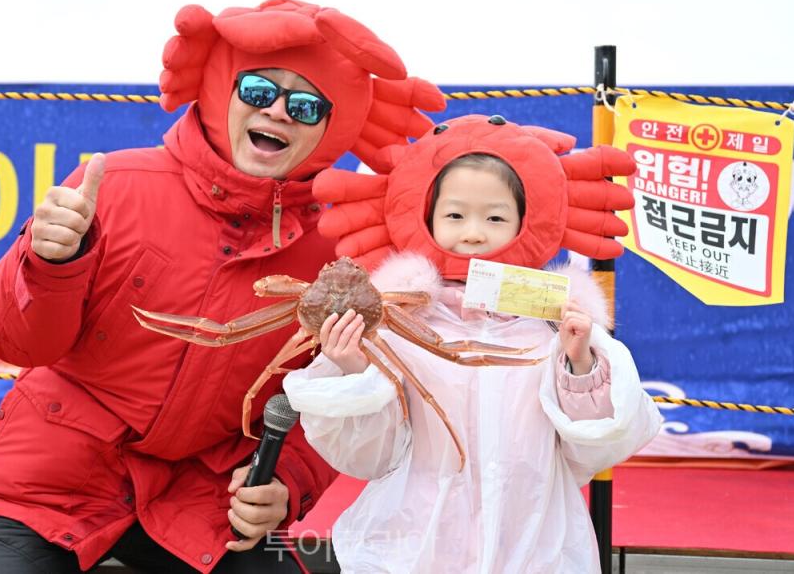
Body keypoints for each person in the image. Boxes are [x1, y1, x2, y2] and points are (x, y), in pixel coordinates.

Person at [0, 0, 443, 573]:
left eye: (308, 105)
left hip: (206, 496)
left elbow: (338, 394)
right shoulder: (114, 184)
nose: (281, 113)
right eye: (260, 92)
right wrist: (48, 262)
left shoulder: (345, 245)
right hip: (55, 477)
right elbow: (18, 346)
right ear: (222, 90)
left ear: (336, 123)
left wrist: (289, 484)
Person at [284, 115, 663, 573]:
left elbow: (594, 449)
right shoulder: (399, 323)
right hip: (415, 545)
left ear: (527, 221)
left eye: (496, 217)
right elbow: (373, 454)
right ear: (428, 218)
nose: (474, 232)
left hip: (533, 546)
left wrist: (579, 363)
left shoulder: (553, 326)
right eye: (455, 215)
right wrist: (351, 371)